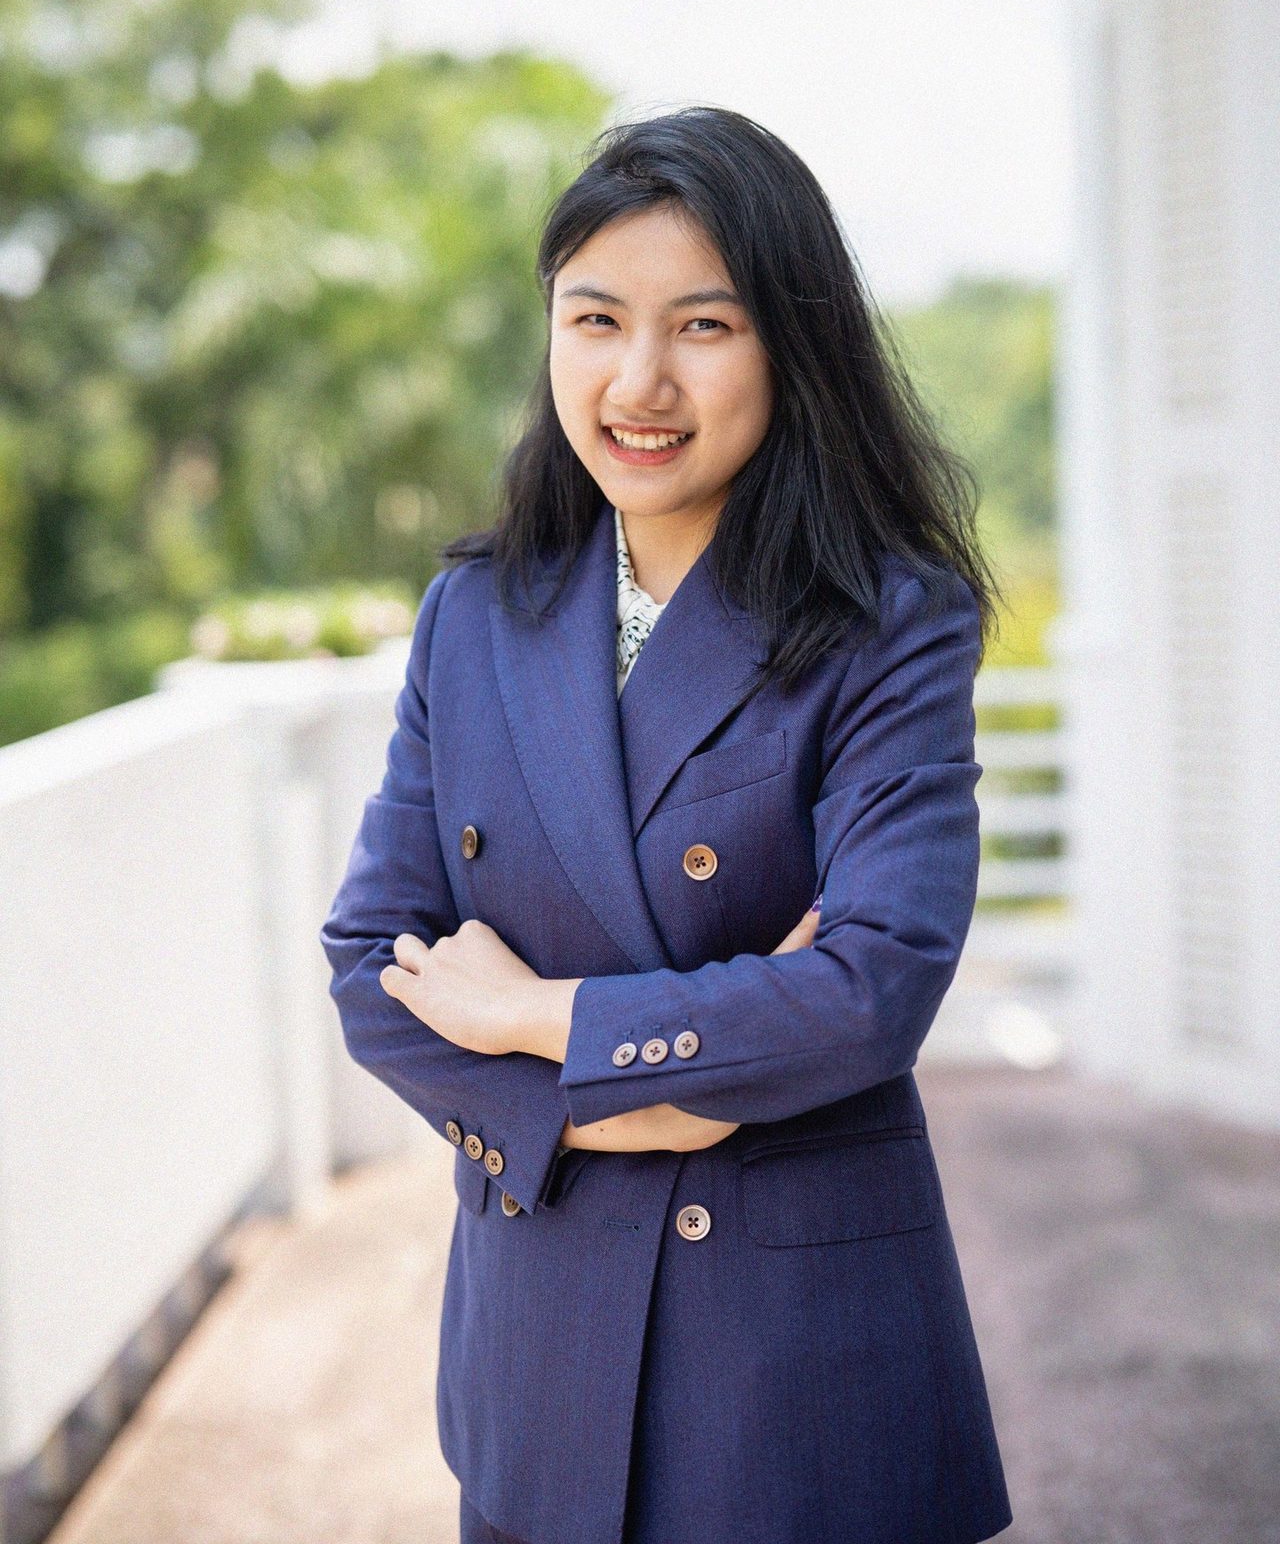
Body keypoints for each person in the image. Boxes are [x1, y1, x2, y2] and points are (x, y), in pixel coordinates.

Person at [319, 105, 1014, 1544]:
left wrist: (540, 1018)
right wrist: (636, 1108)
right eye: (596, 319)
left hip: (797, 1363)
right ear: (553, 336)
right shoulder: (475, 616)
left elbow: (870, 991)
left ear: (794, 346)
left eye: (704, 325)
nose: (640, 380)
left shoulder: (890, 624)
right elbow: (371, 963)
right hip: (540, 1339)